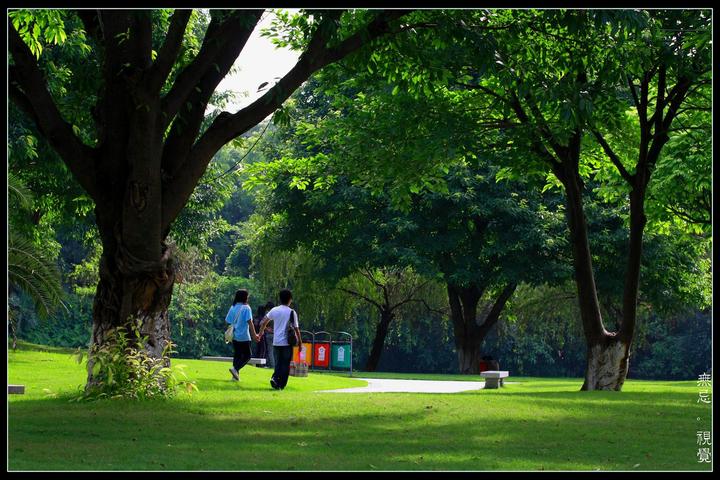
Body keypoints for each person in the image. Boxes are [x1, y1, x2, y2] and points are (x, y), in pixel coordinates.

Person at [257, 289, 301, 390]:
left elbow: (263, 322)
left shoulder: (274, 310)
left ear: (280, 299)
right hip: (287, 343)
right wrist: (300, 343)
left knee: (278, 363)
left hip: (276, 342)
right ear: (290, 299)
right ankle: (280, 384)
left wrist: (260, 333)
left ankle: (275, 379)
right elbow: (296, 329)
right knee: (285, 365)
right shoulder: (292, 312)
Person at [225, 289, 260, 381]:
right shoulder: (246, 308)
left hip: (235, 335)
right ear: (245, 297)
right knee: (247, 355)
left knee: (237, 355)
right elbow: (250, 322)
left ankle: (235, 377)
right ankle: (235, 369)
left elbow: (228, 321)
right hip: (244, 335)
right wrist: (254, 335)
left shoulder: (233, 307)